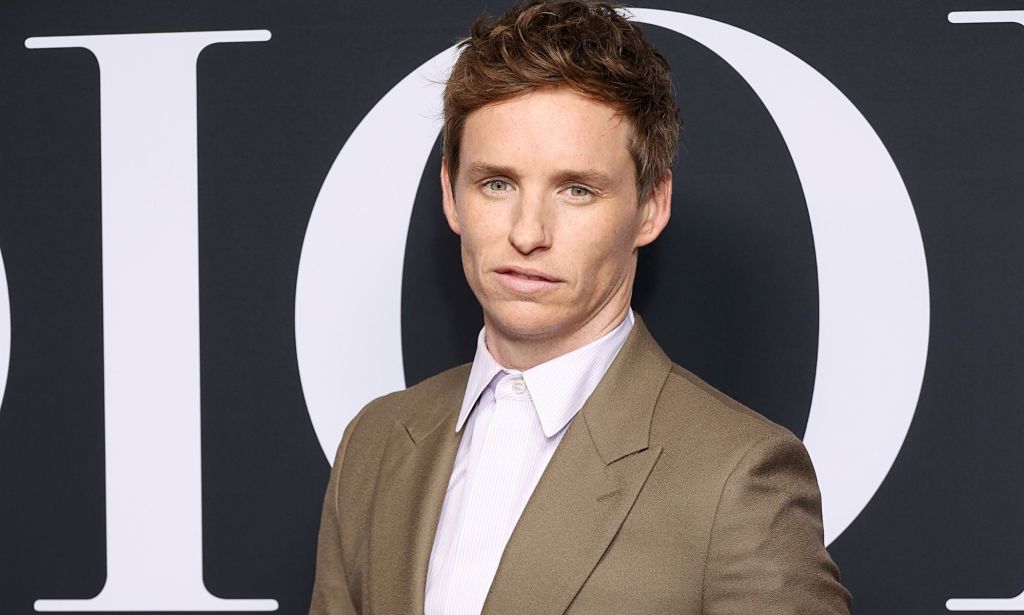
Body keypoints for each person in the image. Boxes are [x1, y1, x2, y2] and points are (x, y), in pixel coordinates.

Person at [309, 1, 852, 613]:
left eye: (576, 190)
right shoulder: (374, 445)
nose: (528, 232)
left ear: (650, 206)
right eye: (497, 183)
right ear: (451, 194)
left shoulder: (738, 477)